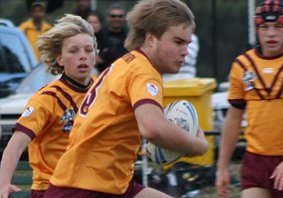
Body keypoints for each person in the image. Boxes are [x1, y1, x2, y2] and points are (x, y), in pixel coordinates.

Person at [44, 0, 208, 197]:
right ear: (150, 39)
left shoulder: (127, 63)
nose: (185, 51)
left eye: (188, 43)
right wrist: (197, 145)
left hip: (106, 182)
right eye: (178, 42)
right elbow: (152, 128)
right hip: (85, 188)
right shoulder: (143, 72)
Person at [0, 14, 96, 198]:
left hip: (93, 187)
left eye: (88, 50)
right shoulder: (47, 98)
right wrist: (3, 184)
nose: (82, 56)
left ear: (95, 55)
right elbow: (16, 145)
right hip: (51, 190)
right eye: (74, 51)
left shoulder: (103, 91)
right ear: (60, 59)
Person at [215, 1, 283, 198]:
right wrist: (222, 168)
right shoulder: (243, 65)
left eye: (277, 27)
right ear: (257, 29)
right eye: (264, 27)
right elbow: (234, 118)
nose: (271, 34)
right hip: (256, 160)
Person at [97, 3, 128, 73]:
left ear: (124, 18)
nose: (116, 19)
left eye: (120, 16)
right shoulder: (99, 35)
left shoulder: (130, 37)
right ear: (107, 17)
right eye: (113, 16)